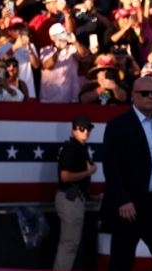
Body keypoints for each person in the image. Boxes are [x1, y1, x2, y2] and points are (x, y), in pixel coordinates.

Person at [101, 76, 152, 271]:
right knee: (122, 262)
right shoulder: (118, 124)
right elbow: (111, 166)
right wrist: (122, 199)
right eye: (144, 93)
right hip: (130, 206)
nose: (150, 97)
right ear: (133, 96)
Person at [53, 115, 97, 270]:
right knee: (69, 243)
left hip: (75, 198)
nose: (86, 132)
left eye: (88, 129)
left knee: (71, 242)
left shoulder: (79, 148)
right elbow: (65, 176)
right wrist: (89, 172)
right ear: (74, 130)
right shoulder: (72, 149)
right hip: (70, 199)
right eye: (82, 129)